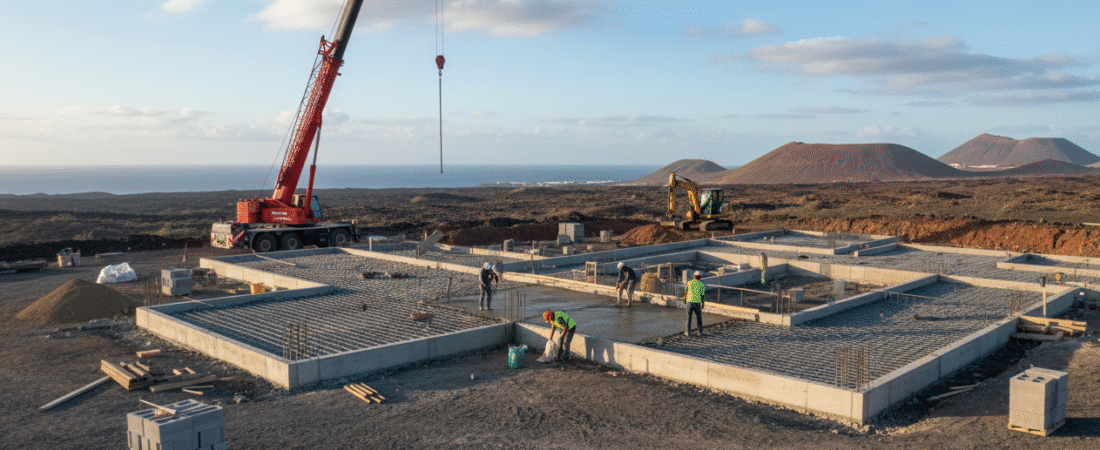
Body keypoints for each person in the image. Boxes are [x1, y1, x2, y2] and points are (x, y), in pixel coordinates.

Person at [684, 271, 705, 336]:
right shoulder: (701, 284)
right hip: (697, 303)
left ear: (694, 276)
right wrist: (703, 304)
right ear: (700, 277)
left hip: (689, 302)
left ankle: (688, 332)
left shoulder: (689, 283)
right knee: (699, 318)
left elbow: (686, 292)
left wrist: (684, 300)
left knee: (689, 318)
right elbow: (702, 295)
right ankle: (700, 332)